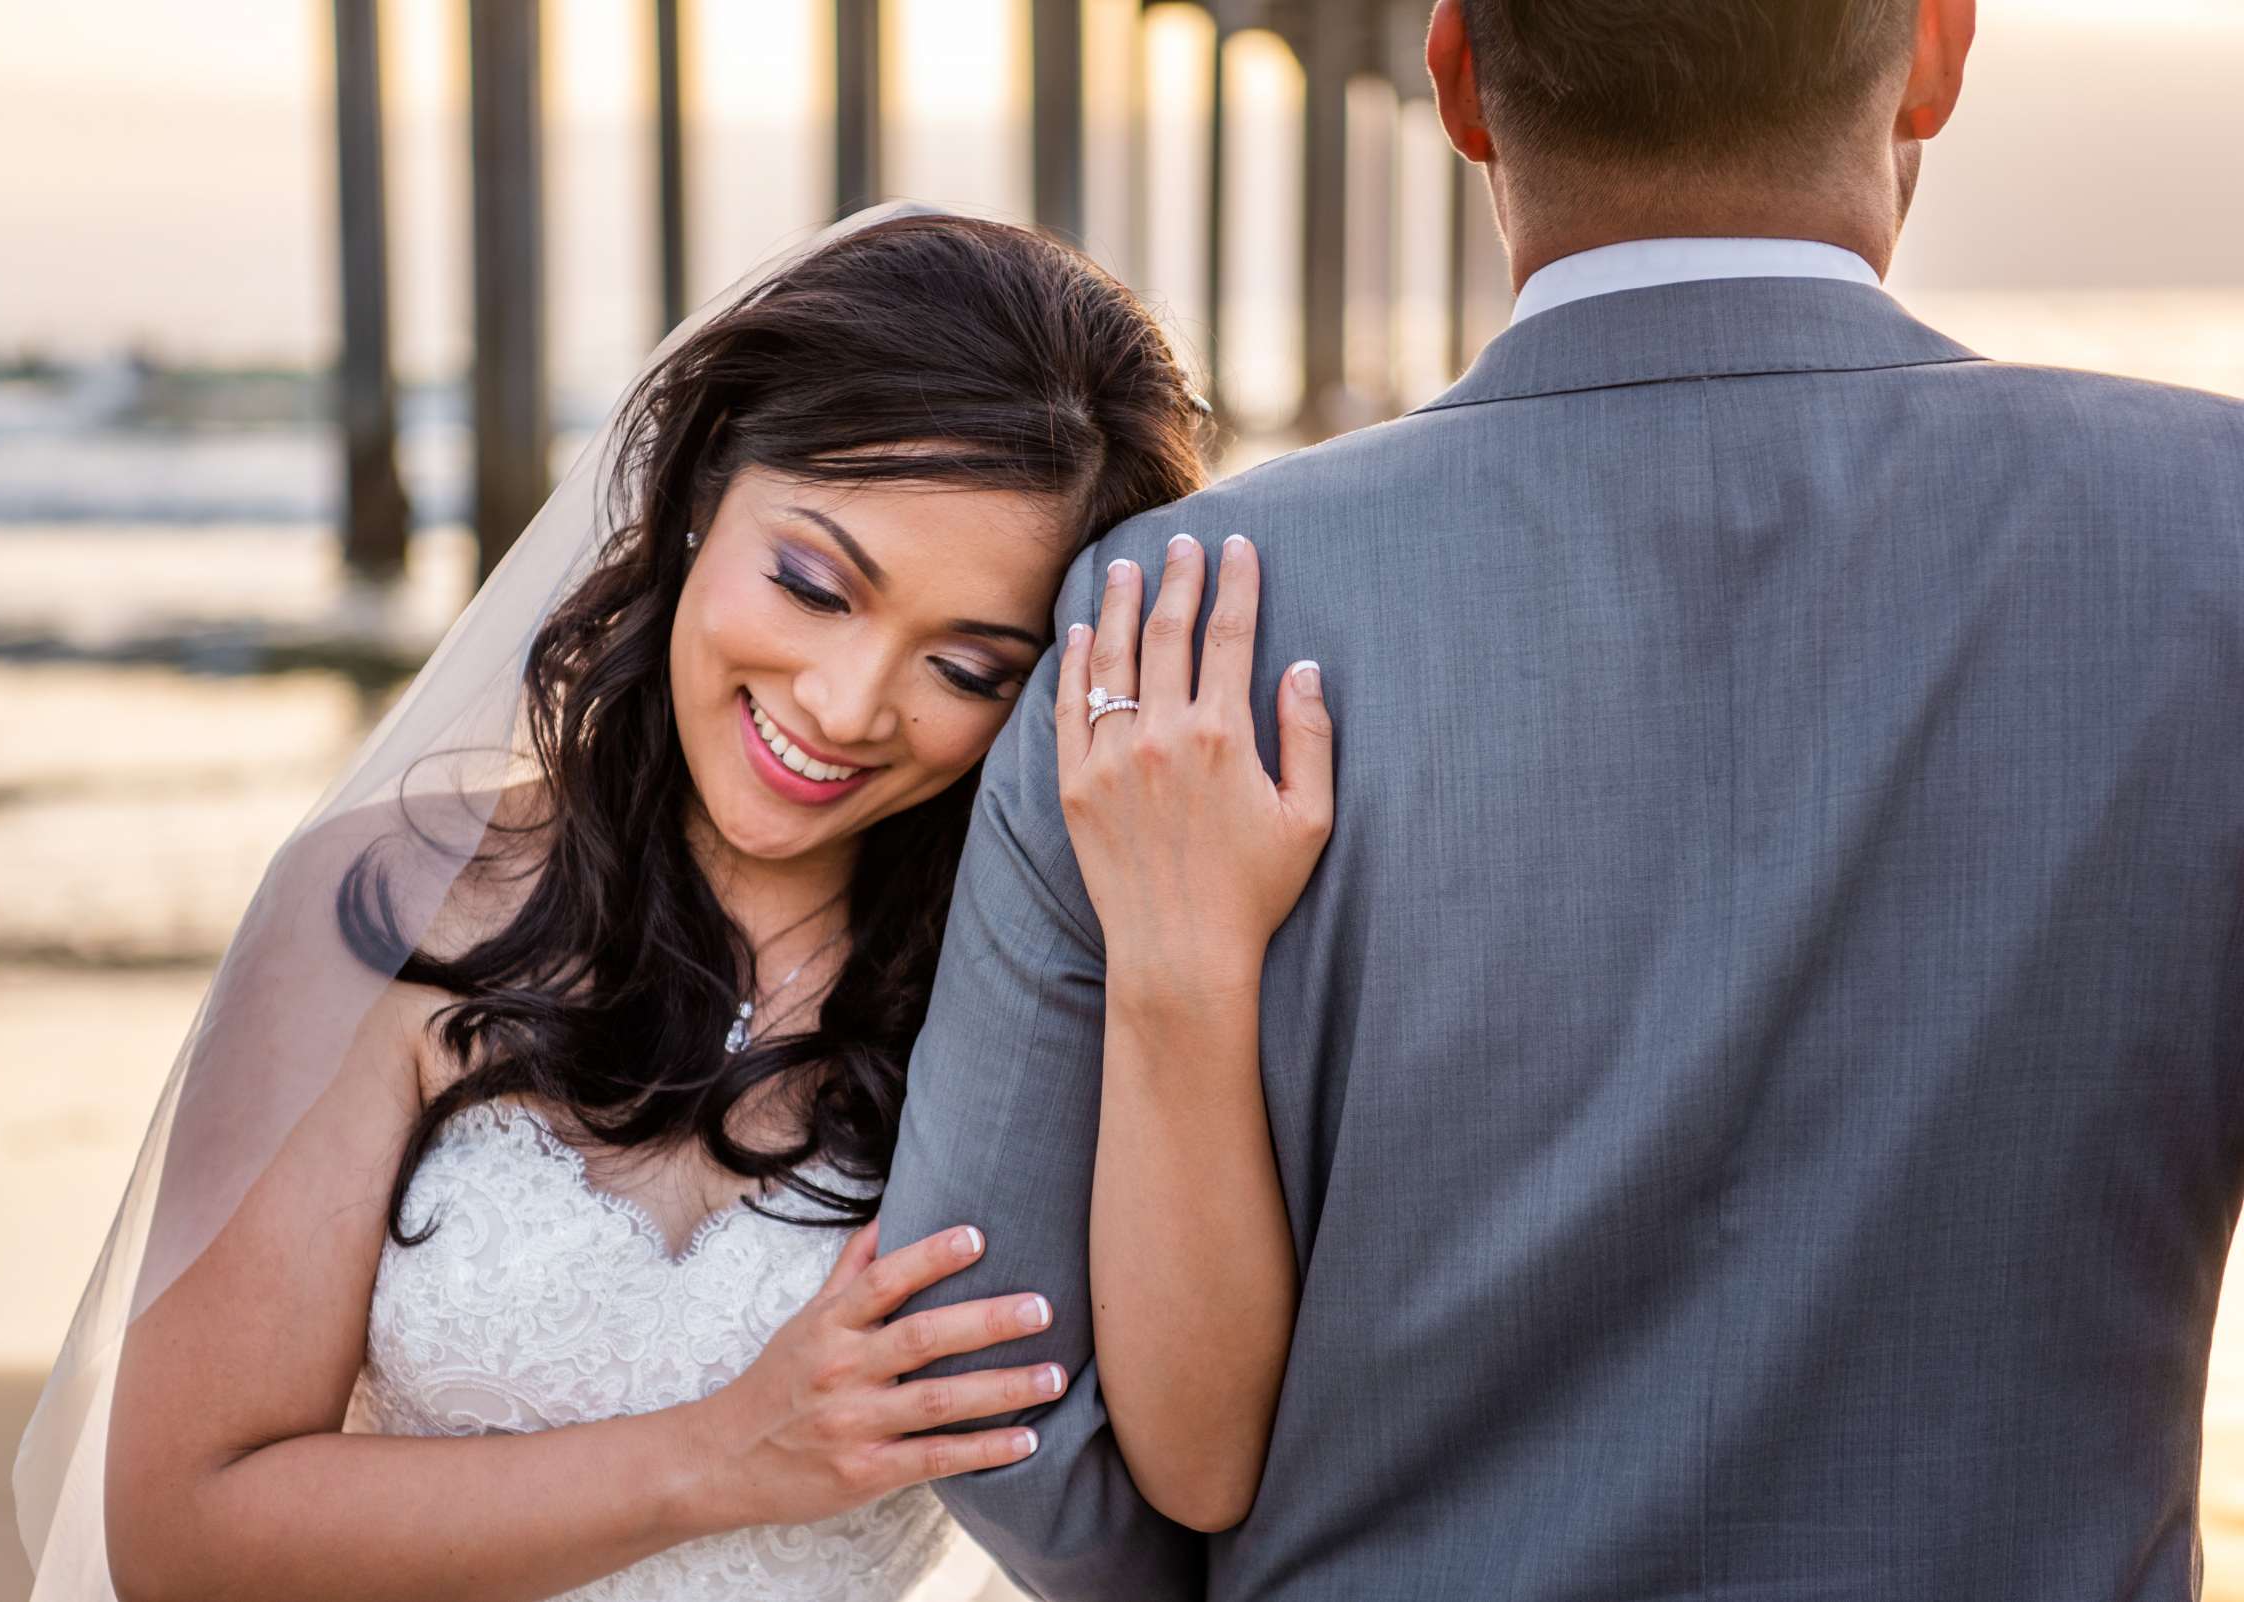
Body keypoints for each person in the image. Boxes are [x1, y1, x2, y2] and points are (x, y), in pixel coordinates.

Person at [878, 0, 2244, 1596]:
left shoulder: (1170, 626)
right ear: (1939, 50)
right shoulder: (2208, 542)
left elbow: (985, 1375)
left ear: (1455, 78)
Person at [11, 207, 1318, 1602]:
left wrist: (1193, 959)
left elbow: (1204, 1472)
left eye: (972, 667)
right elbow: (183, 1529)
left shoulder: (1034, 985)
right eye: (813, 583)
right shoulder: (388, 903)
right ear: (704, 485)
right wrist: (723, 1452)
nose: (846, 704)